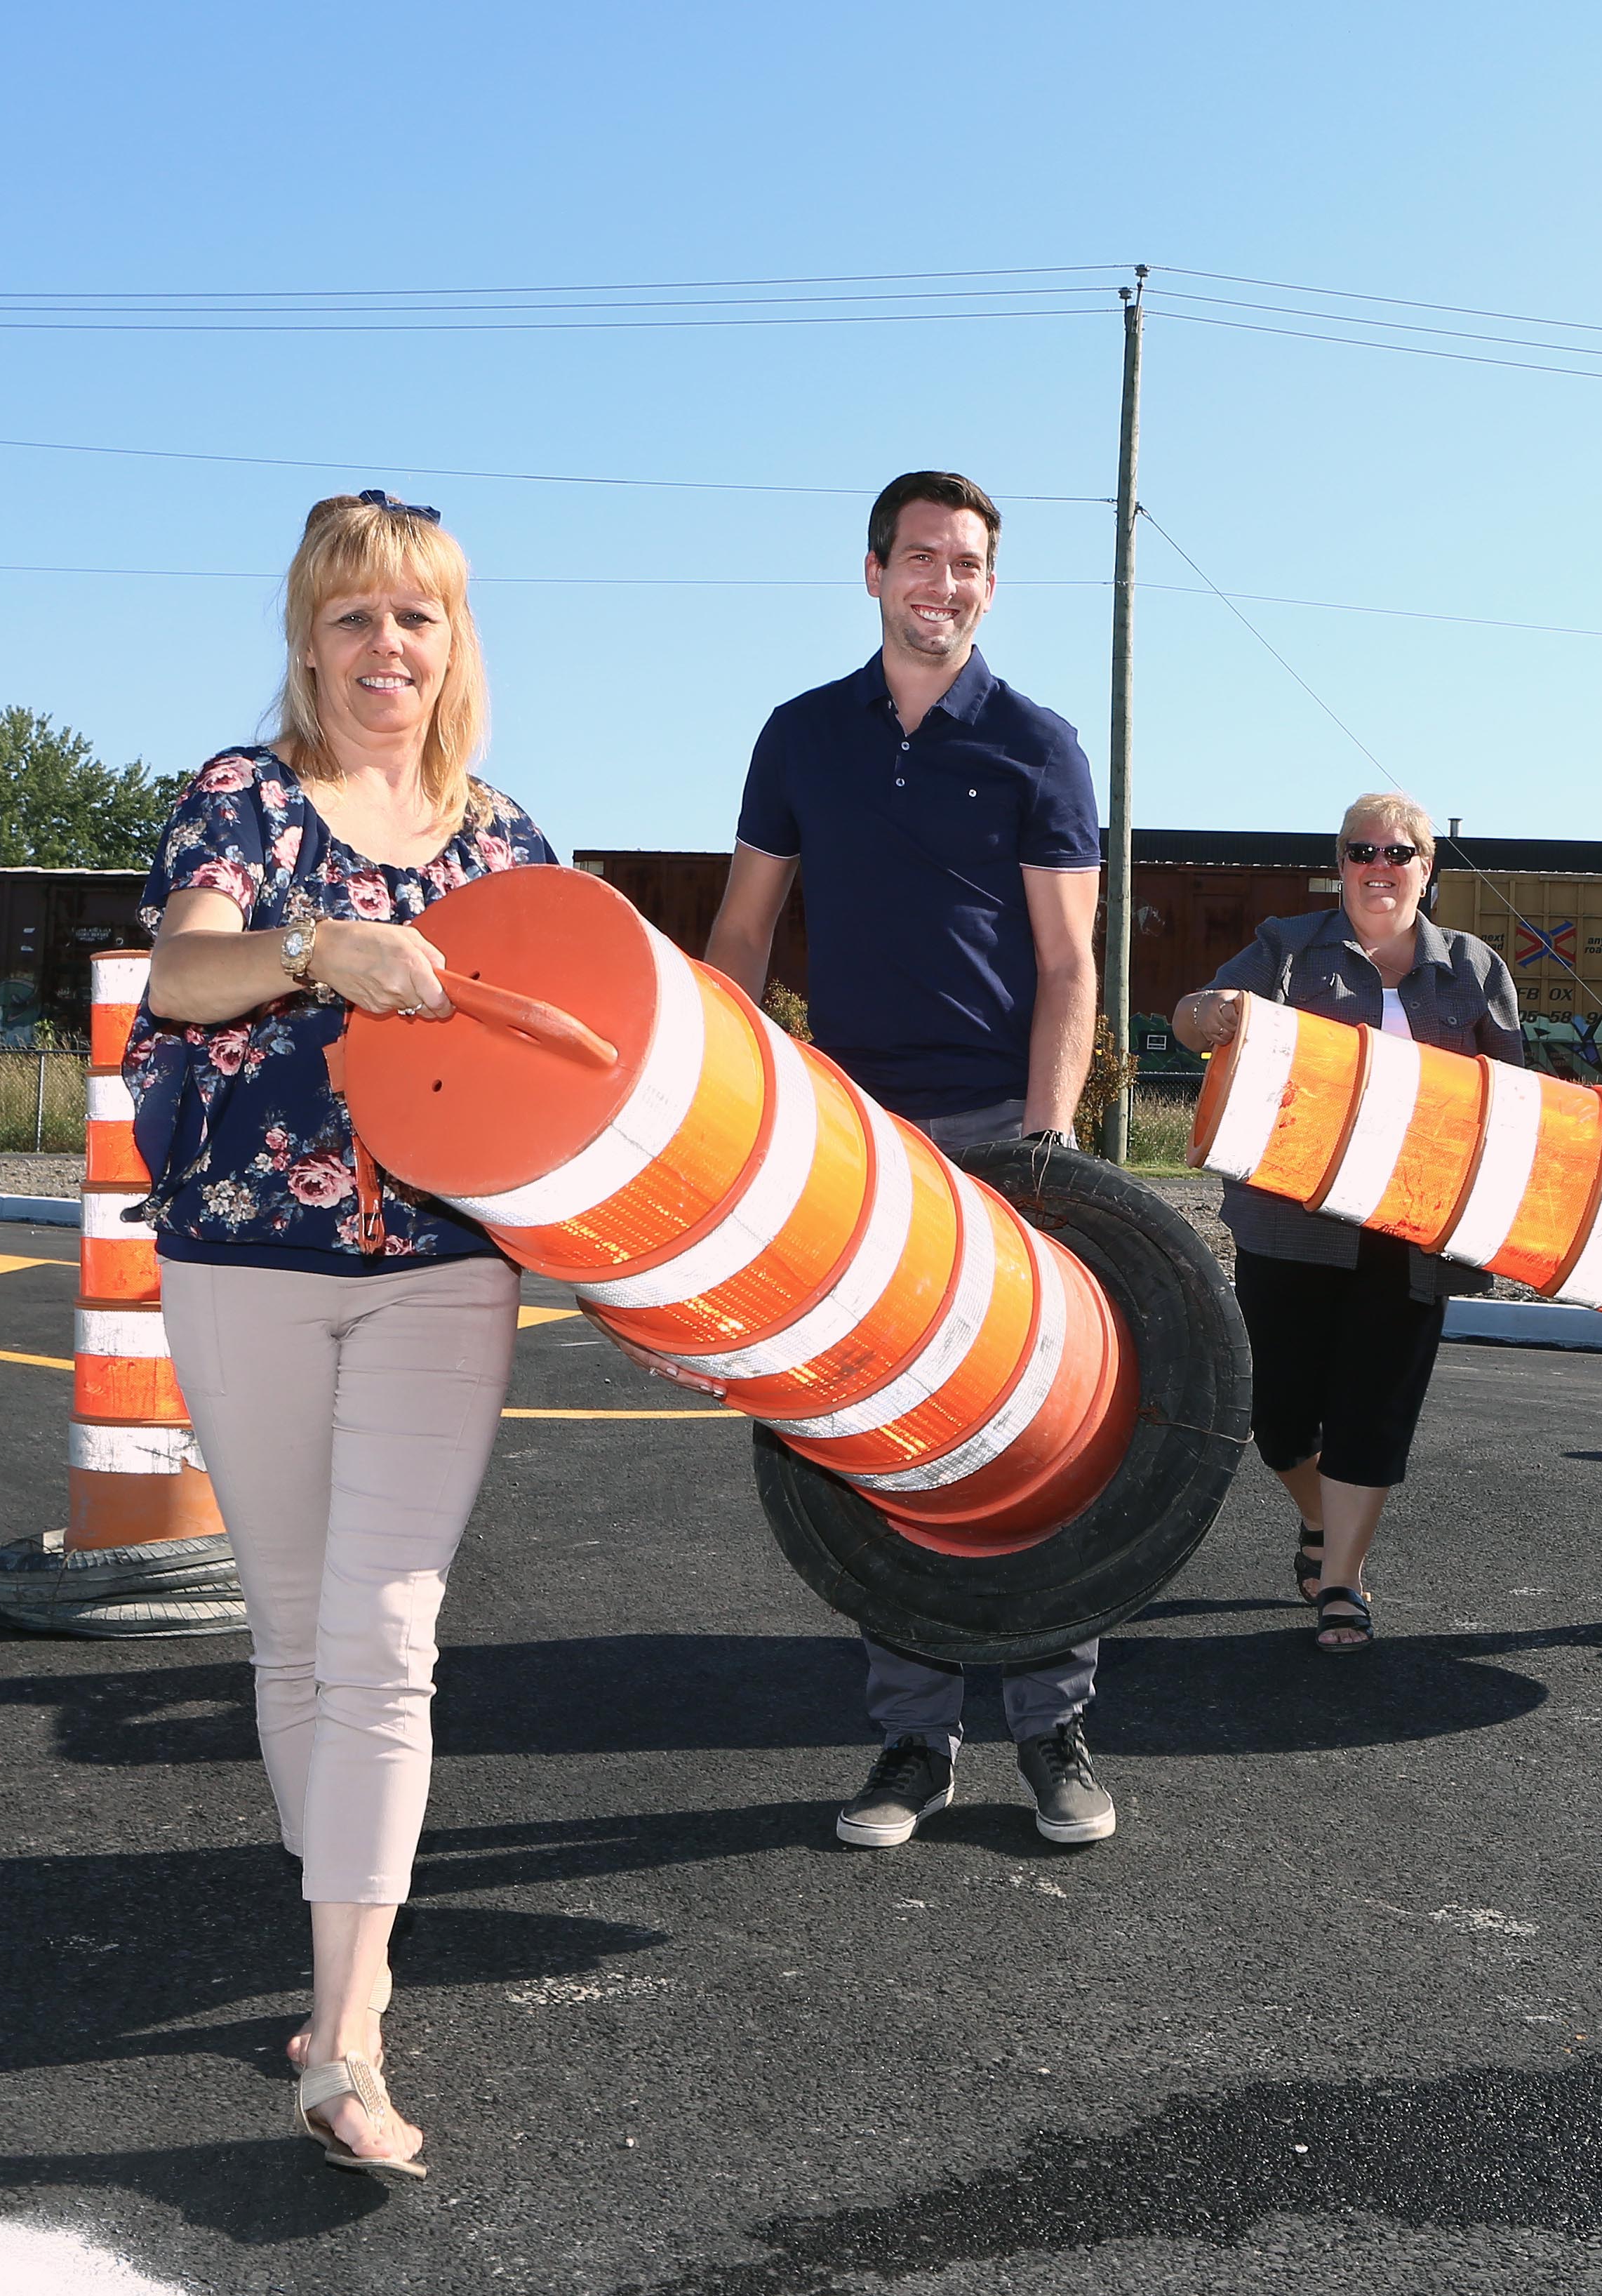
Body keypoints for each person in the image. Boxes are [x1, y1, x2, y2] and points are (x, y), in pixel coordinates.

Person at [130, 489, 559, 2178]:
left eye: (420, 618)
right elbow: (180, 975)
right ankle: (343, 1954)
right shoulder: (239, 802)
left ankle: (347, 2033)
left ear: (458, 644)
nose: (390, 647)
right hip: (245, 1256)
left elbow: (560, 1071)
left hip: (445, 1268)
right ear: (309, 639)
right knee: (296, 1628)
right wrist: (320, 952)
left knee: (386, 1629)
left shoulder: (510, 844)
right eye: (357, 616)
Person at [701, 470, 1114, 1851]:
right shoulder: (801, 738)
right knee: (877, 1449)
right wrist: (731, 1114)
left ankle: (1051, 1727)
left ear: (991, 587)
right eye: (921, 558)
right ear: (870, 572)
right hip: (849, 1145)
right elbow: (744, 936)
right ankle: (909, 1744)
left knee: (1036, 1443)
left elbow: (1069, 965)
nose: (944, 583)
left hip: (1004, 1137)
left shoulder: (1040, 748)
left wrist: (1045, 1152)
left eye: (970, 564)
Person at [1171, 794, 1522, 1651]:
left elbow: (1517, 1103)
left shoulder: (1473, 969)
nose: (1379, 866)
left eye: (1399, 853)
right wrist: (1209, 1013)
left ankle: (1342, 1581)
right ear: (1341, 864)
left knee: (1375, 1410)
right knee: (1280, 1416)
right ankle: (1325, 1521)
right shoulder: (1288, 949)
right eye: (1361, 851)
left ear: (1426, 869)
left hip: (1411, 1238)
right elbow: (1189, 1017)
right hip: (1288, 1225)